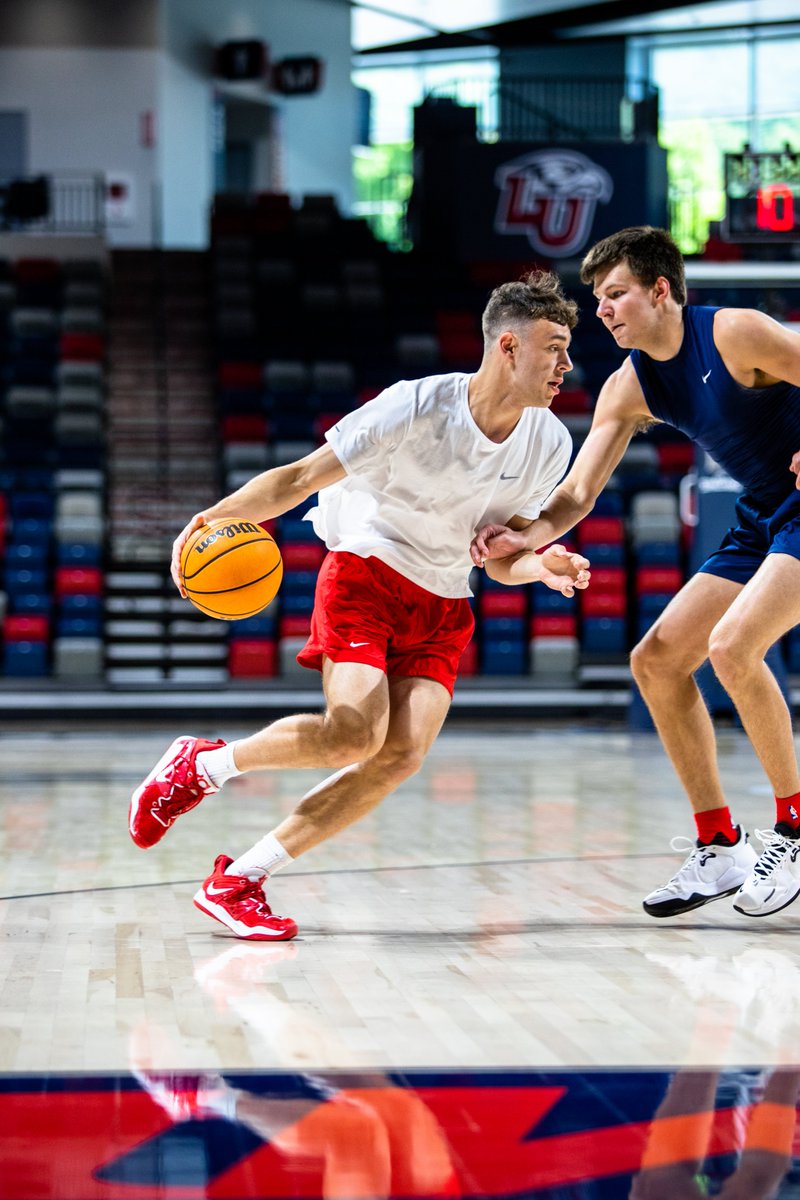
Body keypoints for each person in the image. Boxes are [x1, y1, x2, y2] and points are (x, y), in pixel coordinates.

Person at [128, 269, 591, 940]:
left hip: (443, 599)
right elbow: (301, 477)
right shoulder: (416, 405)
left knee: (399, 756)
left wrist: (542, 565)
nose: (566, 364)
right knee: (351, 732)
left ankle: (239, 880)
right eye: (555, 346)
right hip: (368, 569)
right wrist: (211, 518)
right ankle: (202, 767)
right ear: (508, 347)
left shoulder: (549, 443)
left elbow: (498, 555)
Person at [471, 225, 800, 920]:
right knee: (656, 660)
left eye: (616, 293)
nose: (604, 310)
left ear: (661, 291)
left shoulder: (737, 333)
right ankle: (720, 846)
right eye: (598, 298)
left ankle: (796, 828)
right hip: (766, 511)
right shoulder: (628, 387)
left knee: (734, 647)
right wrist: (523, 532)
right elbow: (578, 495)